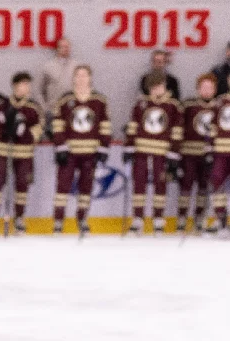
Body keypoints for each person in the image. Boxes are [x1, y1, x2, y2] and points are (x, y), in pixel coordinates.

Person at [51, 65, 111, 235]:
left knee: (86, 188)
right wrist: (60, 145)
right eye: (78, 75)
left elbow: (105, 126)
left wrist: (103, 148)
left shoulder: (100, 101)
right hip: (69, 152)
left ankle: (82, 219)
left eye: (85, 75)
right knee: (62, 187)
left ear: (90, 78)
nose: (81, 78)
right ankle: (58, 221)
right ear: (74, 78)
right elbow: (57, 124)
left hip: (90, 153)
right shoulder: (65, 100)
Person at [124, 71, 182, 234]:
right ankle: (138, 218)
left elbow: (177, 131)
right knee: (139, 184)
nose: (158, 90)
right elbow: (133, 127)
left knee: (160, 184)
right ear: (149, 88)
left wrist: (173, 154)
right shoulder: (140, 105)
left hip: (162, 153)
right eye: (155, 87)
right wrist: (129, 148)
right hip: (141, 151)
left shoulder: (173, 106)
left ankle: (158, 218)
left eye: (161, 86)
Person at [0, 72, 42, 234]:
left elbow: (37, 130)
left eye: (27, 85)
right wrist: (5, 128)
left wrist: (22, 131)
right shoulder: (0, 106)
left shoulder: (33, 108)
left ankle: (19, 218)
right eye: (22, 85)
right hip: (3, 151)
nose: (25, 88)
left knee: (22, 186)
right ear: (14, 86)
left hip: (24, 154)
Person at [179, 73, 218, 230]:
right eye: (203, 87)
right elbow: (180, 127)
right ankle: (182, 217)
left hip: (209, 154)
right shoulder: (188, 106)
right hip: (189, 153)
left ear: (215, 89)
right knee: (186, 185)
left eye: (210, 88)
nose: (207, 91)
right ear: (198, 89)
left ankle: (199, 216)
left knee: (203, 186)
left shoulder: (219, 106)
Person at [202, 86, 230, 233]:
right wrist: (208, 149)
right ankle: (220, 218)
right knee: (217, 181)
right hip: (220, 152)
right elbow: (212, 128)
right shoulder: (220, 102)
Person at [38, 36, 73, 107]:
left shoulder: (77, 66)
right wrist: (45, 109)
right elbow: (38, 90)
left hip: (72, 109)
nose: (65, 49)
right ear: (57, 48)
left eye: (67, 47)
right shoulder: (47, 67)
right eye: (63, 47)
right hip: (53, 109)